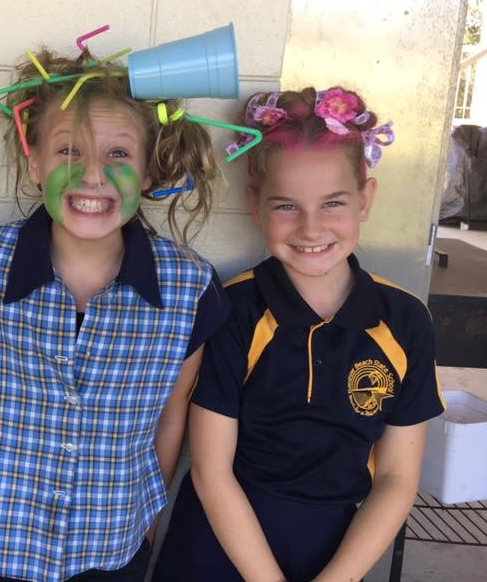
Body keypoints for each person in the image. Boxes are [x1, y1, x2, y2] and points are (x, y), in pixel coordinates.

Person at [0, 48, 230, 582]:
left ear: (149, 169)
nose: (92, 175)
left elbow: (172, 417)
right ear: (34, 162)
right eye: (68, 150)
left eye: (118, 154)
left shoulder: (190, 290)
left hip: (112, 555)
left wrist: (144, 529)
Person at [154, 87, 444, 582]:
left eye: (333, 203)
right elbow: (210, 469)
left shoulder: (405, 319)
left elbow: (396, 477)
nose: (311, 229)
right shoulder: (232, 308)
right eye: (287, 206)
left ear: (365, 198)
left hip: (336, 550)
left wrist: (340, 576)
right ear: (255, 204)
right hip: (220, 540)